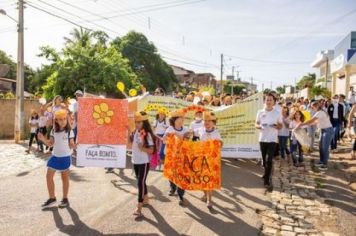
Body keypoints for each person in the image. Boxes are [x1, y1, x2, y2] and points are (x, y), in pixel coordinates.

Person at [37, 109, 75, 208]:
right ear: (56, 121)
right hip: (55, 156)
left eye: (64, 119)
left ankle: (65, 198)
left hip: (65, 157)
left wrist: (75, 146)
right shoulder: (54, 131)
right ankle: (52, 198)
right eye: (60, 119)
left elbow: (71, 144)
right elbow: (51, 143)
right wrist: (43, 139)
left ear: (67, 119)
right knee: (48, 176)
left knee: (64, 178)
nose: (62, 121)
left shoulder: (69, 131)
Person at [129, 111, 155, 217]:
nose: (137, 124)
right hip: (135, 161)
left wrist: (142, 148)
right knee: (141, 182)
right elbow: (131, 144)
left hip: (144, 162)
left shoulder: (147, 134)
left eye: (139, 122)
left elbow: (152, 150)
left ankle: (139, 207)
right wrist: (127, 131)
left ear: (144, 122)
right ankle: (146, 199)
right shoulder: (135, 131)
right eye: (136, 122)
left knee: (140, 183)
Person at [163, 109, 191, 206]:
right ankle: (172, 187)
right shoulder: (169, 129)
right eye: (180, 118)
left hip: (183, 156)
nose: (182, 119)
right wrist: (166, 137)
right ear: (174, 119)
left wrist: (178, 135)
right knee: (172, 174)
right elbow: (164, 141)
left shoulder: (186, 129)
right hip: (171, 156)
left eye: (183, 118)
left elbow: (187, 141)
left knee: (182, 176)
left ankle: (180, 195)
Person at [255, 93, 282, 191]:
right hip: (262, 139)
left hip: (272, 139)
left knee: (269, 160)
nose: (269, 102)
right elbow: (256, 124)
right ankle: (266, 173)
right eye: (267, 100)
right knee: (264, 160)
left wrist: (276, 126)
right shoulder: (260, 112)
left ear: (274, 102)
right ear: (264, 101)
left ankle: (267, 180)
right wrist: (260, 126)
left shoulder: (277, 113)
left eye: (271, 100)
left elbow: (280, 126)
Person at [296, 101, 334, 170]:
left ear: (316, 106)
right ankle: (321, 161)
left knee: (324, 147)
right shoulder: (318, 112)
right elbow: (314, 122)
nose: (311, 108)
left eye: (312, 106)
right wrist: (302, 126)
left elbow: (311, 121)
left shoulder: (320, 113)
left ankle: (324, 164)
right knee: (321, 147)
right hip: (323, 131)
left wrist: (301, 124)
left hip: (328, 131)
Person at [198, 111, 222, 208]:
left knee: (209, 180)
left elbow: (220, 144)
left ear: (213, 122)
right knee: (201, 180)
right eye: (205, 121)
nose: (207, 123)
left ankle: (209, 200)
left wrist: (218, 144)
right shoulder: (200, 130)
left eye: (209, 121)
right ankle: (205, 194)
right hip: (201, 158)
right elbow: (189, 134)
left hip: (211, 160)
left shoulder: (216, 133)